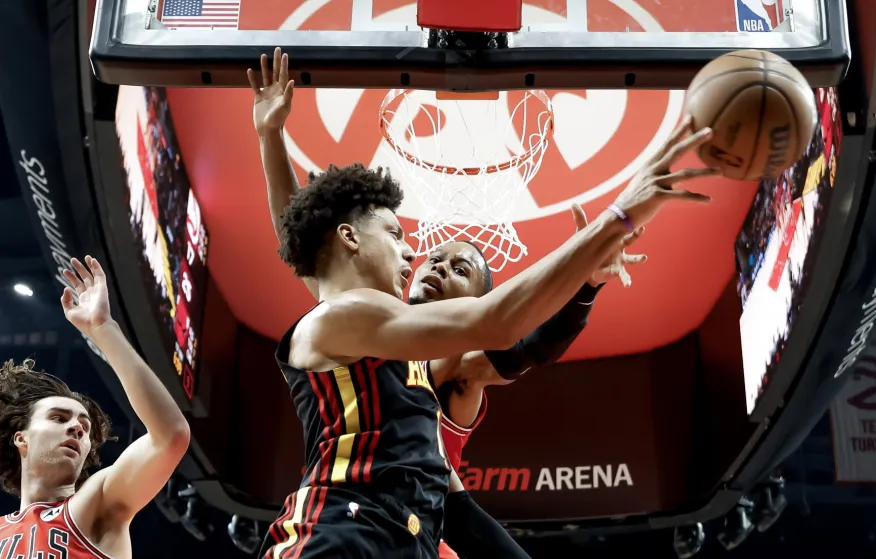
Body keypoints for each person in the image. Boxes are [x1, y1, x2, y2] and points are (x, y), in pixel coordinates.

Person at [249, 48, 715, 559]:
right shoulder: (346, 316)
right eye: (395, 234)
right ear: (350, 238)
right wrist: (617, 218)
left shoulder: (382, 349)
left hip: (396, 538)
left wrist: (271, 135)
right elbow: (497, 323)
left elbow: (462, 513)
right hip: (335, 538)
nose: (412, 251)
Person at [0, 256, 191, 558]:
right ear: (21, 438)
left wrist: (103, 328)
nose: (76, 428)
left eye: (84, 426)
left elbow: (170, 436)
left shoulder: (97, 501)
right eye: (58, 418)